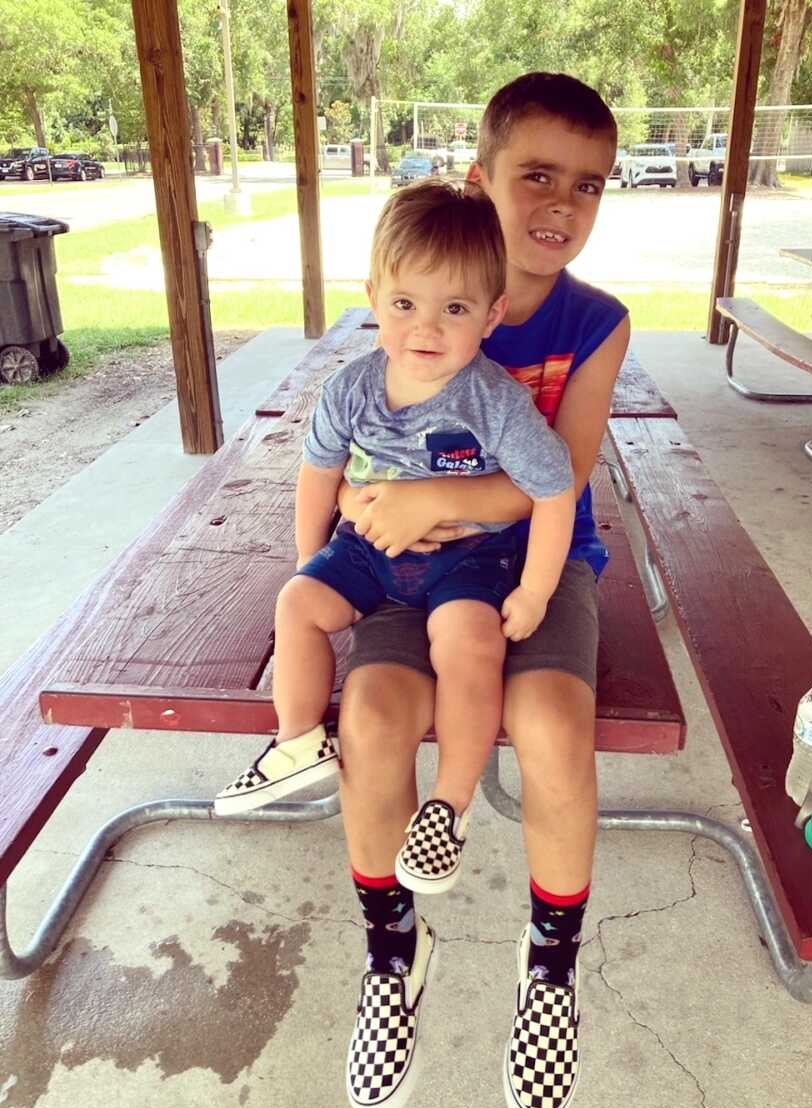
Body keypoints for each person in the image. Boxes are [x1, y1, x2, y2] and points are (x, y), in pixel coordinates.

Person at [338, 73, 629, 1108]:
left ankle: (549, 966)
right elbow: (348, 451)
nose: (561, 205)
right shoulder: (406, 305)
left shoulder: (596, 324)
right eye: (537, 176)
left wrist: (435, 498)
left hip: (544, 558)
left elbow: (565, 474)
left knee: (553, 723)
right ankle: (389, 956)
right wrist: (373, 523)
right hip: (410, 568)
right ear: (480, 179)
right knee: (371, 722)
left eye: (589, 186)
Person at [214, 180, 575, 908]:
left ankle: (448, 804)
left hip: (469, 558)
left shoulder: (494, 398)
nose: (426, 328)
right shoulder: (349, 389)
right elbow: (318, 478)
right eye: (406, 304)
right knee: (298, 601)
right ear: (374, 295)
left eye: (455, 309)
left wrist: (534, 589)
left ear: (492, 313)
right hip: (368, 547)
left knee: (470, 643)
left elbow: (554, 487)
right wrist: (311, 559)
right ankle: (298, 740)